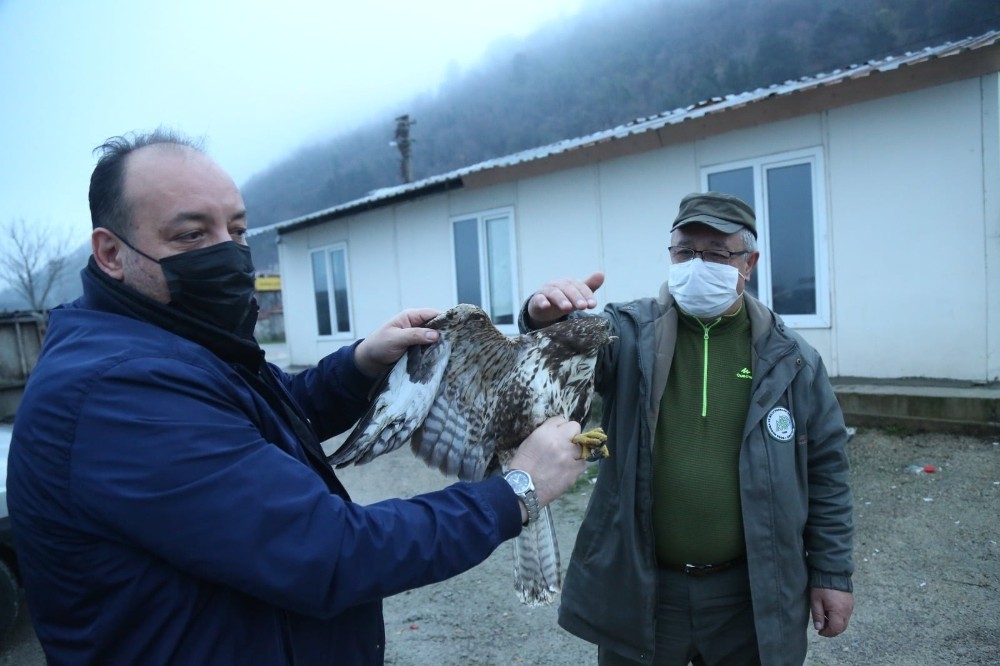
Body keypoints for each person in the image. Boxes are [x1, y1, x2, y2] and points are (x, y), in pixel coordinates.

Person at [7, 130, 586, 665]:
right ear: (111, 253)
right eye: (191, 234)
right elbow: (329, 553)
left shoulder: (171, 342)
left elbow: (257, 416)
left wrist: (359, 366)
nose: (228, 251)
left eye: (236, 230)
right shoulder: (118, 390)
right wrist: (516, 491)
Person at [521, 191, 854, 666]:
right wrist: (541, 317)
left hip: (750, 594)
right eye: (685, 252)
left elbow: (827, 472)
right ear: (670, 254)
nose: (698, 265)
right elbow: (556, 356)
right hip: (645, 590)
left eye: (717, 254)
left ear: (749, 262)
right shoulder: (626, 331)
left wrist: (831, 574)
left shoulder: (793, 359)